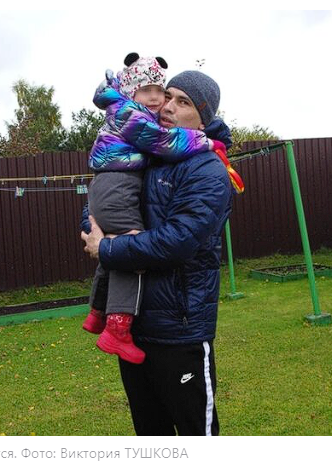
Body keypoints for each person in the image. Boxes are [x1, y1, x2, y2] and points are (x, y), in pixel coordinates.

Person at [81, 70, 239, 436]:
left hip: (180, 330)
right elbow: (107, 194)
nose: (167, 106)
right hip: (135, 327)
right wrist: (91, 224)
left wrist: (107, 247)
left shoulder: (208, 169)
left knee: (196, 433)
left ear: (203, 119)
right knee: (150, 433)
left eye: (183, 102)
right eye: (168, 96)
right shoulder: (149, 152)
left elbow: (177, 242)